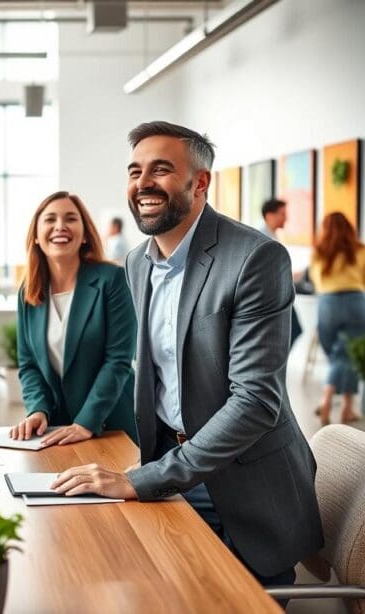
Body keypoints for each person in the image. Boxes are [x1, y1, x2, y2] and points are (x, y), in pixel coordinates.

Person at [52, 121, 323, 587]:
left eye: (161, 170)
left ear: (200, 183)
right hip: (173, 473)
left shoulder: (255, 258)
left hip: (245, 491)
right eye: (135, 171)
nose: (143, 184)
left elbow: (255, 401)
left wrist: (150, 477)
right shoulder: (138, 261)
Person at [9, 191, 137, 446]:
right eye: (50, 219)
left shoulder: (112, 280)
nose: (60, 226)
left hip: (109, 426)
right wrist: (38, 409)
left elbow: (118, 361)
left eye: (70, 218)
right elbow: (29, 364)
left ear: (84, 233)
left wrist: (86, 422)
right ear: (35, 234)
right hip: (55, 431)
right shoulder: (29, 291)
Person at [309, 212, 365, 425]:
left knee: (340, 354)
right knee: (347, 355)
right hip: (355, 302)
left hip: (328, 304)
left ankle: (346, 408)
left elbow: (315, 279)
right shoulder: (359, 250)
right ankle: (329, 400)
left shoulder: (319, 253)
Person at [258, 198, 302, 347]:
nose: (286, 218)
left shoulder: (270, 235)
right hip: (268, 296)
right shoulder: (261, 237)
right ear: (270, 215)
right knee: (292, 330)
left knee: (291, 331)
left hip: (276, 293)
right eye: (282, 214)